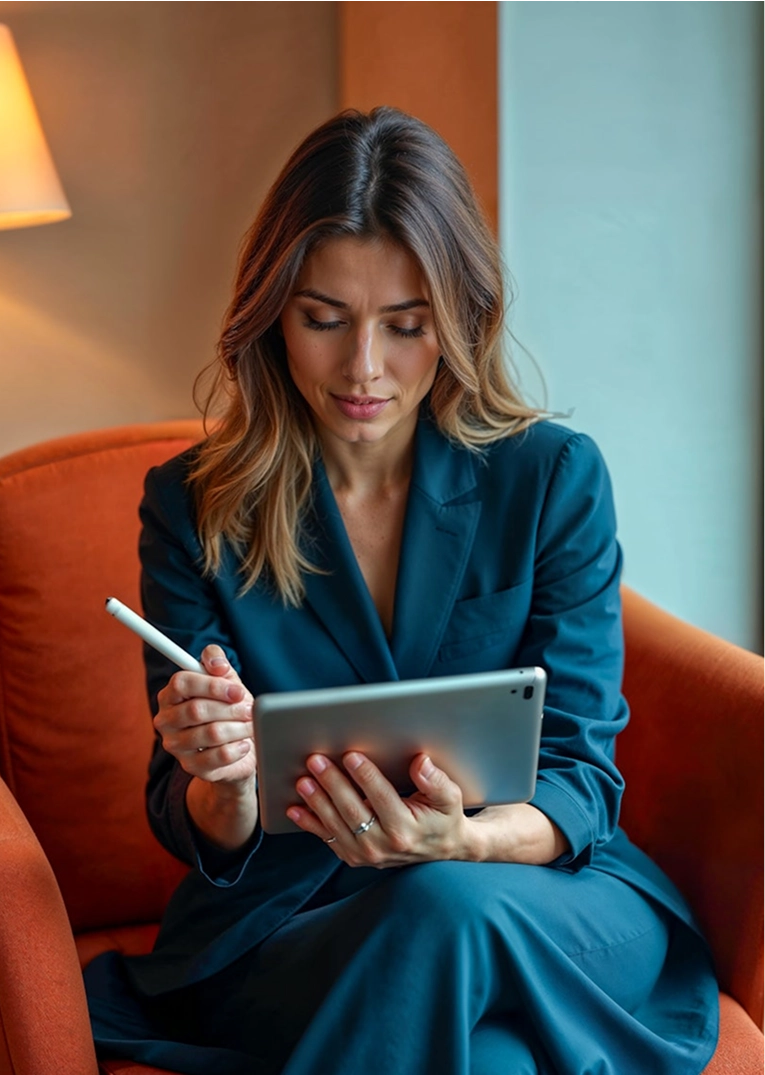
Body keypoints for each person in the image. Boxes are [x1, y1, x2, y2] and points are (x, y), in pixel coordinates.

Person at [85, 107, 719, 1074]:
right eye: (323, 319)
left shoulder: (551, 478)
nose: (363, 368)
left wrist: (461, 839)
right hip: (296, 922)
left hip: (534, 890)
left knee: (441, 899)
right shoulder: (192, 506)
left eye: (406, 325)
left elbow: (582, 778)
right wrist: (224, 782)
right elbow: (196, 825)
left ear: (459, 317)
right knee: (491, 1051)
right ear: (271, 315)